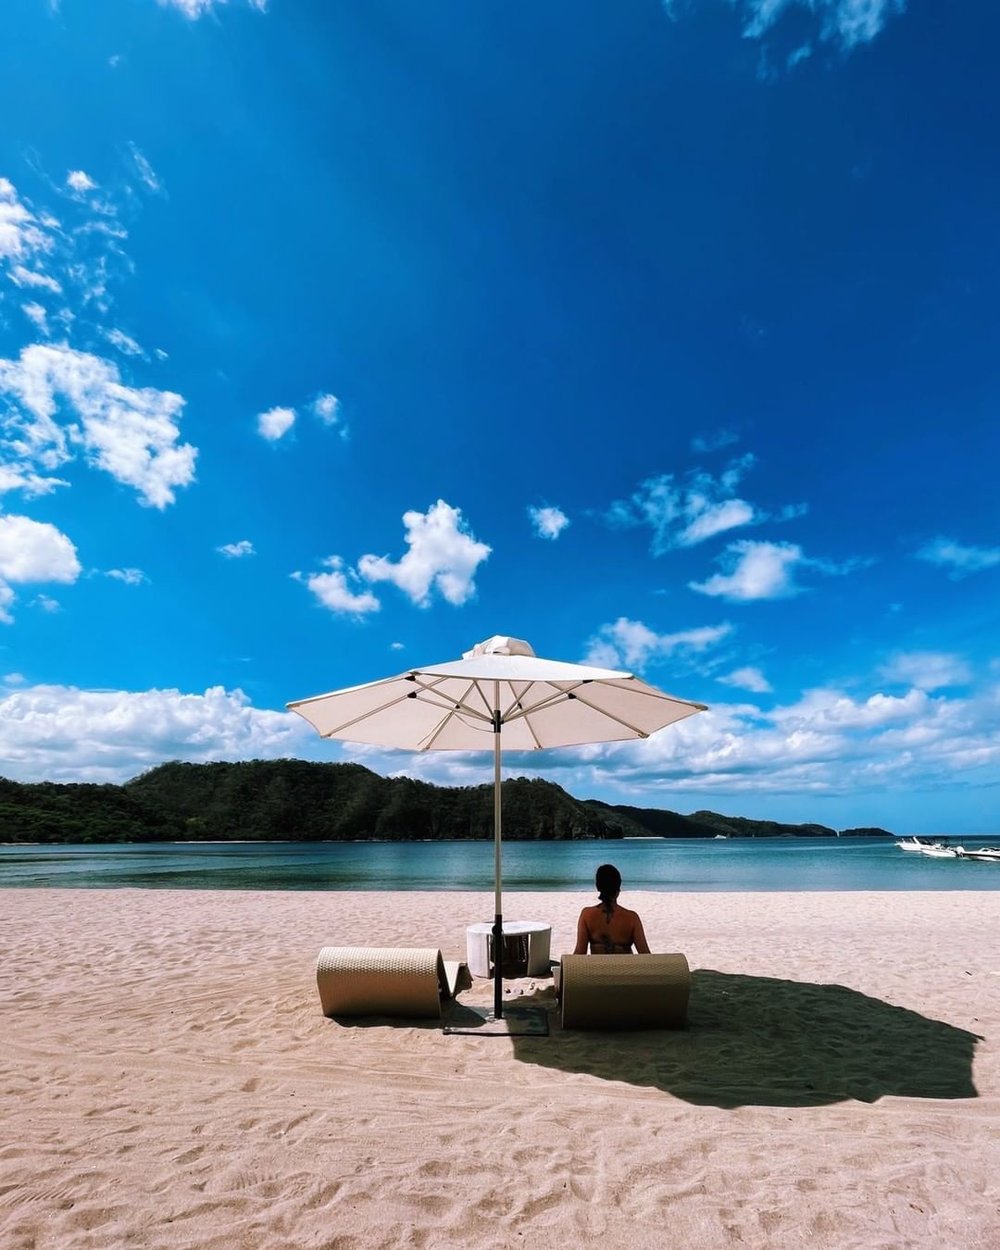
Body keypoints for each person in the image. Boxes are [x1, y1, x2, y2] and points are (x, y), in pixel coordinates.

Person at [573, 863, 650, 955]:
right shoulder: (632, 918)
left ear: (598, 887)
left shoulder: (587, 915)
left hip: (598, 969)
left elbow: (580, 952)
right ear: (618, 888)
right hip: (624, 969)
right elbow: (645, 955)